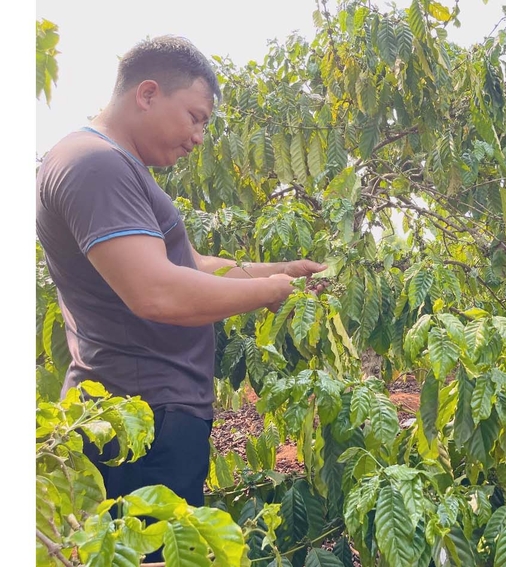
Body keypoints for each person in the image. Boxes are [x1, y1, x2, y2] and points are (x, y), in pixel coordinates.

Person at [36, 35, 325, 561]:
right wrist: (269, 292)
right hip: (138, 419)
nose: (198, 137)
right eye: (195, 117)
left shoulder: (120, 166)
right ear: (147, 93)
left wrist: (284, 272)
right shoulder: (95, 165)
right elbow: (157, 292)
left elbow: (187, 266)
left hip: (155, 413)